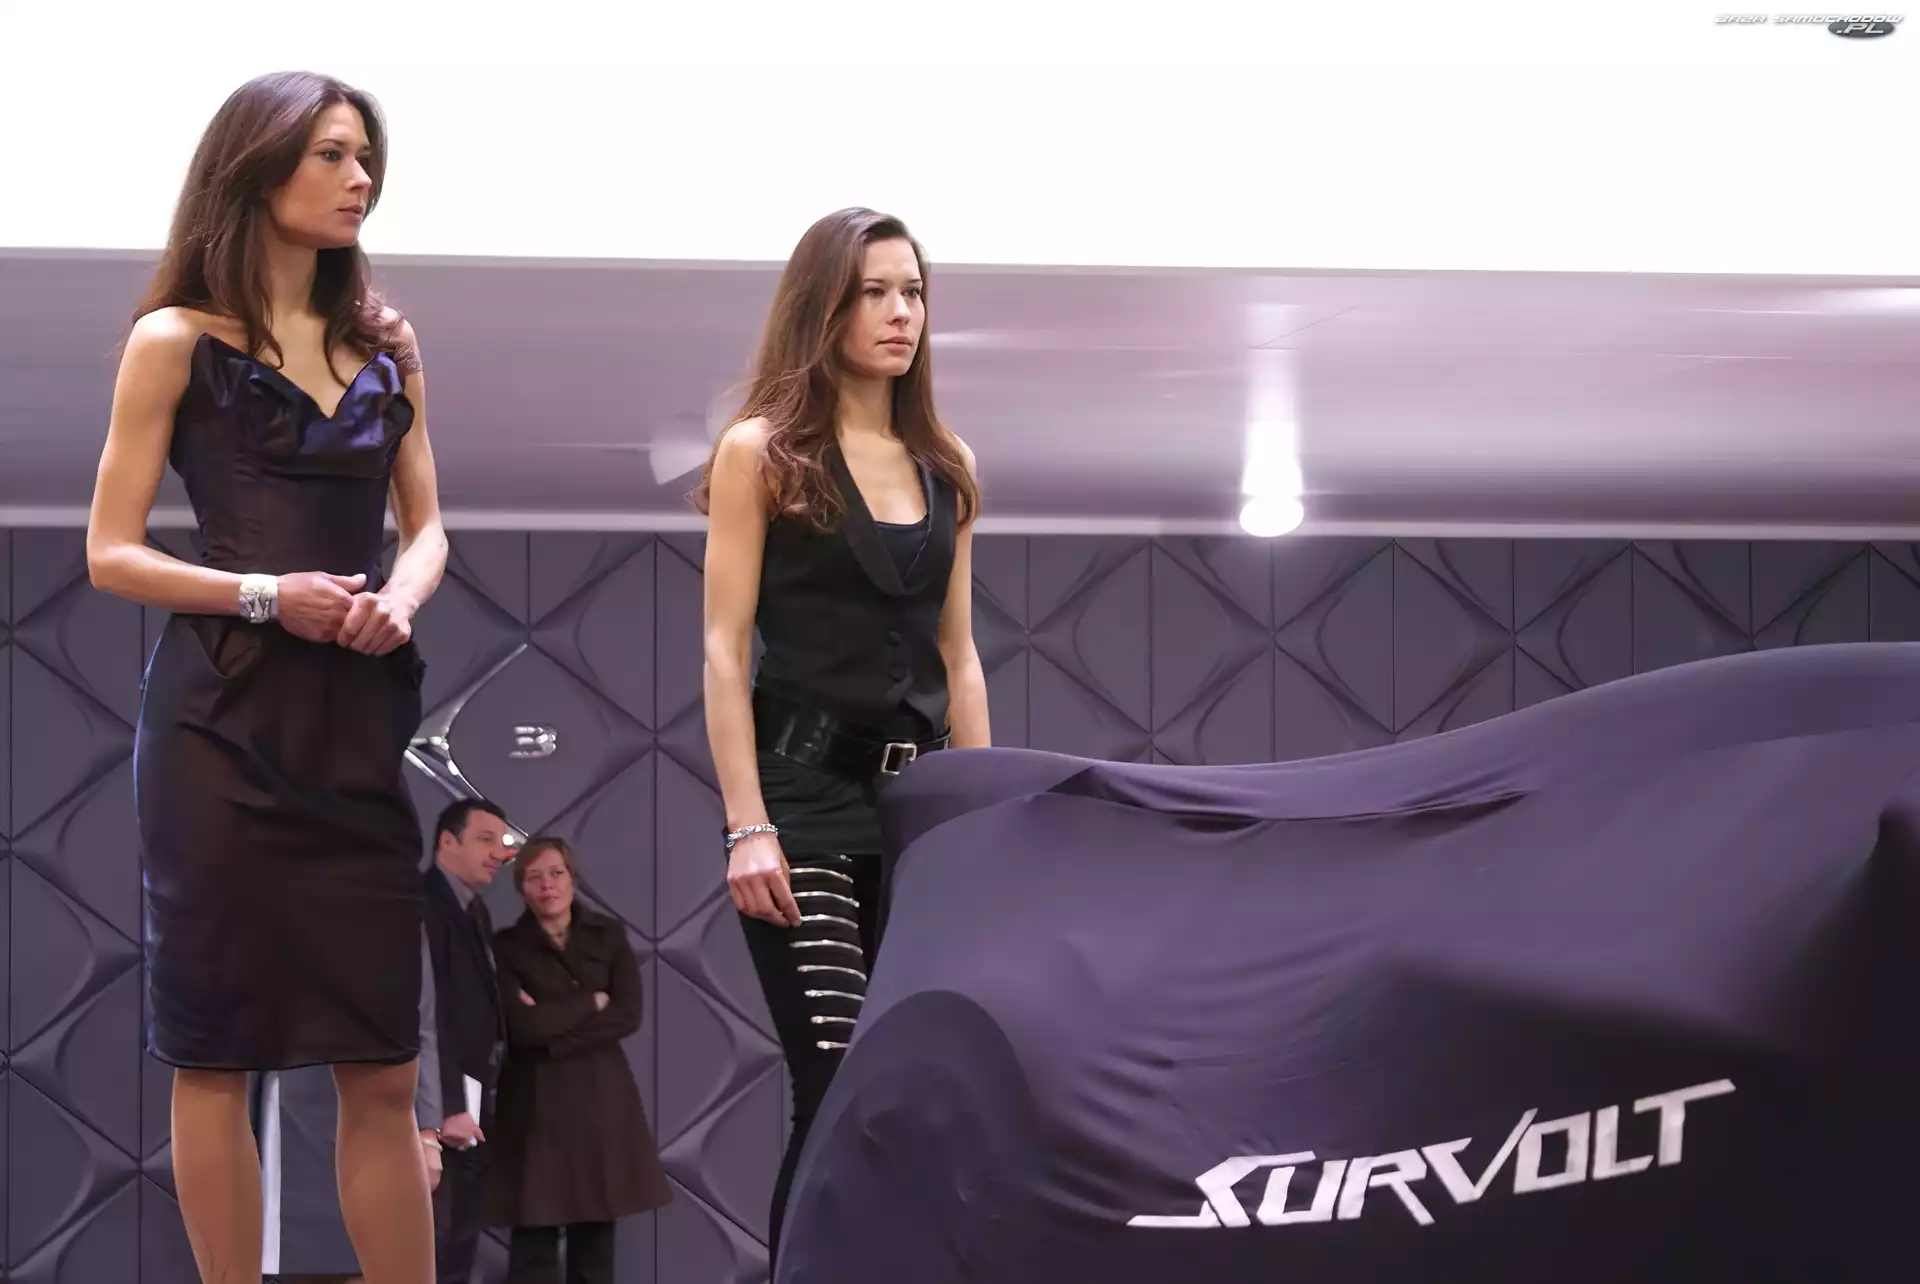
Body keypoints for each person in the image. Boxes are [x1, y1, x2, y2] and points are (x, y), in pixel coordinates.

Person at [86, 71, 446, 1284]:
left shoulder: (387, 349)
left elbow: (430, 528)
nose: (361, 180)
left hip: (355, 726)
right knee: (217, 1056)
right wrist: (264, 592)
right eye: (333, 155)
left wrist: (400, 599)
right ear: (257, 167)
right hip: (220, 731)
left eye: (366, 158)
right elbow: (110, 553)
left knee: (385, 1063)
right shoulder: (172, 341)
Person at [691, 206, 991, 1260]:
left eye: (913, 292)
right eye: (874, 292)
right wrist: (748, 827)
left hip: (917, 817)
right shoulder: (763, 453)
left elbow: (960, 657)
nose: (901, 313)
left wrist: (982, 824)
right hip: (801, 807)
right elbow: (724, 650)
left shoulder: (947, 463)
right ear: (825, 306)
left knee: (909, 1085)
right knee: (834, 1079)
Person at [487, 836, 671, 1283]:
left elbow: (627, 1015)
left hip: (599, 1099)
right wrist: (589, 1002)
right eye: (534, 877)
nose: (547, 885)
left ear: (572, 878)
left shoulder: (608, 934)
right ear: (521, 887)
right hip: (534, 1104)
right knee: (534, 1239)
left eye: (556, 874)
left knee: (595, 1241)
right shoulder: (506, 946)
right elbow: (519, 1027)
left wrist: (552, 1033)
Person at [421, 798, 514, 1284]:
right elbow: (427, 1015)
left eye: (502, 841)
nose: (500, 852)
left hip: (475, 1104)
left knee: (460, 1241)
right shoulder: (424, 906)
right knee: (435, 1244)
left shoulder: (475, 910)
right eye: (485, 839)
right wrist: (449, 1106)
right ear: (446, 841)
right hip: (442, 1109)